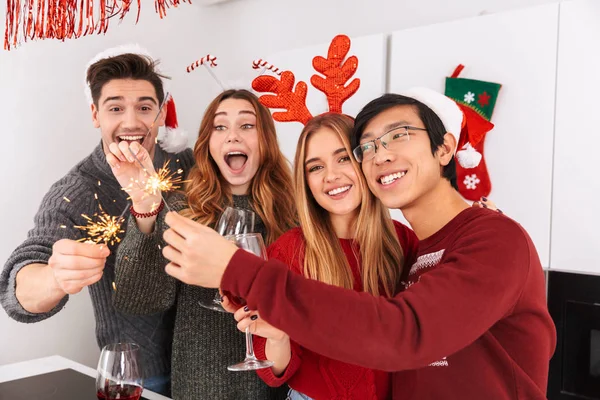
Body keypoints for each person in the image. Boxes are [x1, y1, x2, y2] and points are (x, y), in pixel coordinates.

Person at [160, 88, 556, 399]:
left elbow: (402, 332)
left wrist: (239, 269)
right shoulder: (423, 252)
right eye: (368, 147)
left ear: (445, 148)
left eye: (398, 135)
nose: (382, 155)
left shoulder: (487, 238)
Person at [0, 47, 194, 396]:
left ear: (161, 114)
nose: (132, 122)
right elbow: (18, 292)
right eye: (116, 108)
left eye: (145, 108)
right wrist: (55, 276)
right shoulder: (78, 190)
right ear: (95, 114)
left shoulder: (188, 165)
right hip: (139, 375)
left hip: (205, 364)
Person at [109, 89, 295, 399]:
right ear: (208, 143)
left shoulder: (294, 215)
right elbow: (137, 300)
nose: (232, 136)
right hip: (198, 389)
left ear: (266, 141)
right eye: (220, 127)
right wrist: (144, 203)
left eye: (247, 126)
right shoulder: (183, 208)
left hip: (272, 388)